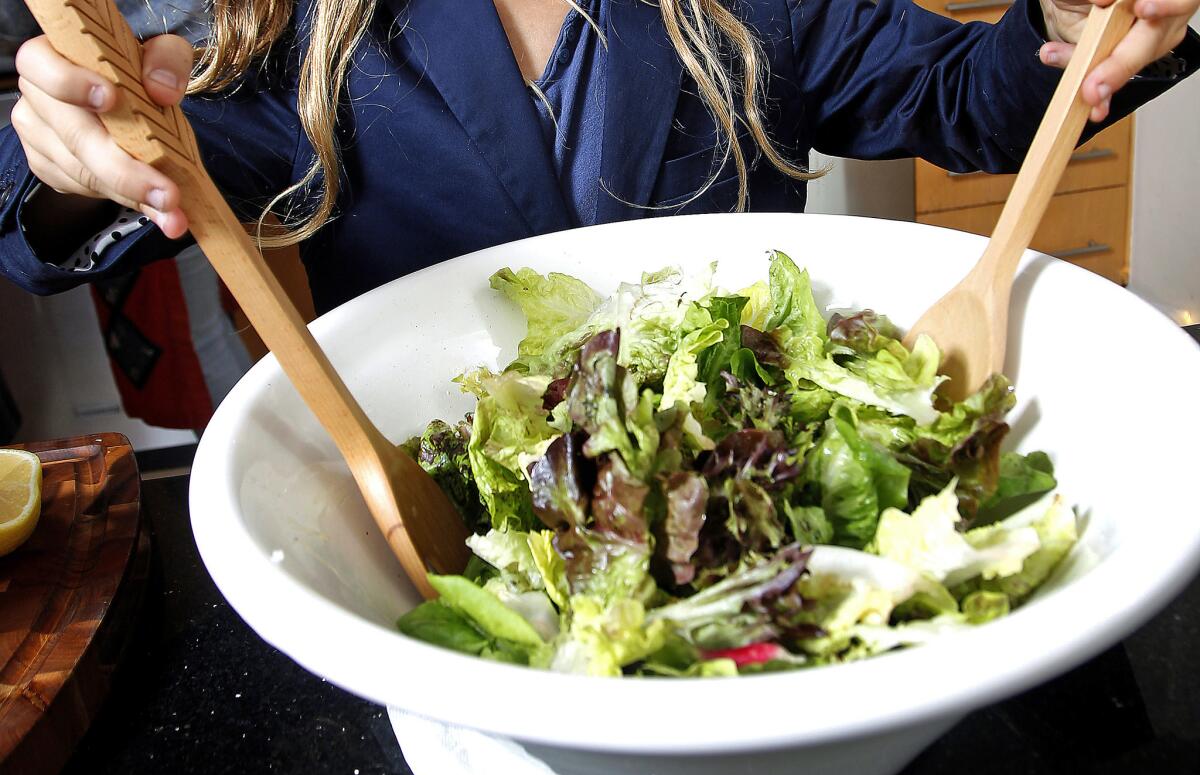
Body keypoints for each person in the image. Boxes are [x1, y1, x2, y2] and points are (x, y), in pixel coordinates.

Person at [1, 0, 1197, 316]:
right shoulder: (258, 18)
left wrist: (1076, 18)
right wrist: (68, 166)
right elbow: (66, 201)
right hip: (444, 524)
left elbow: (969, 101)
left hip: (752, 490)